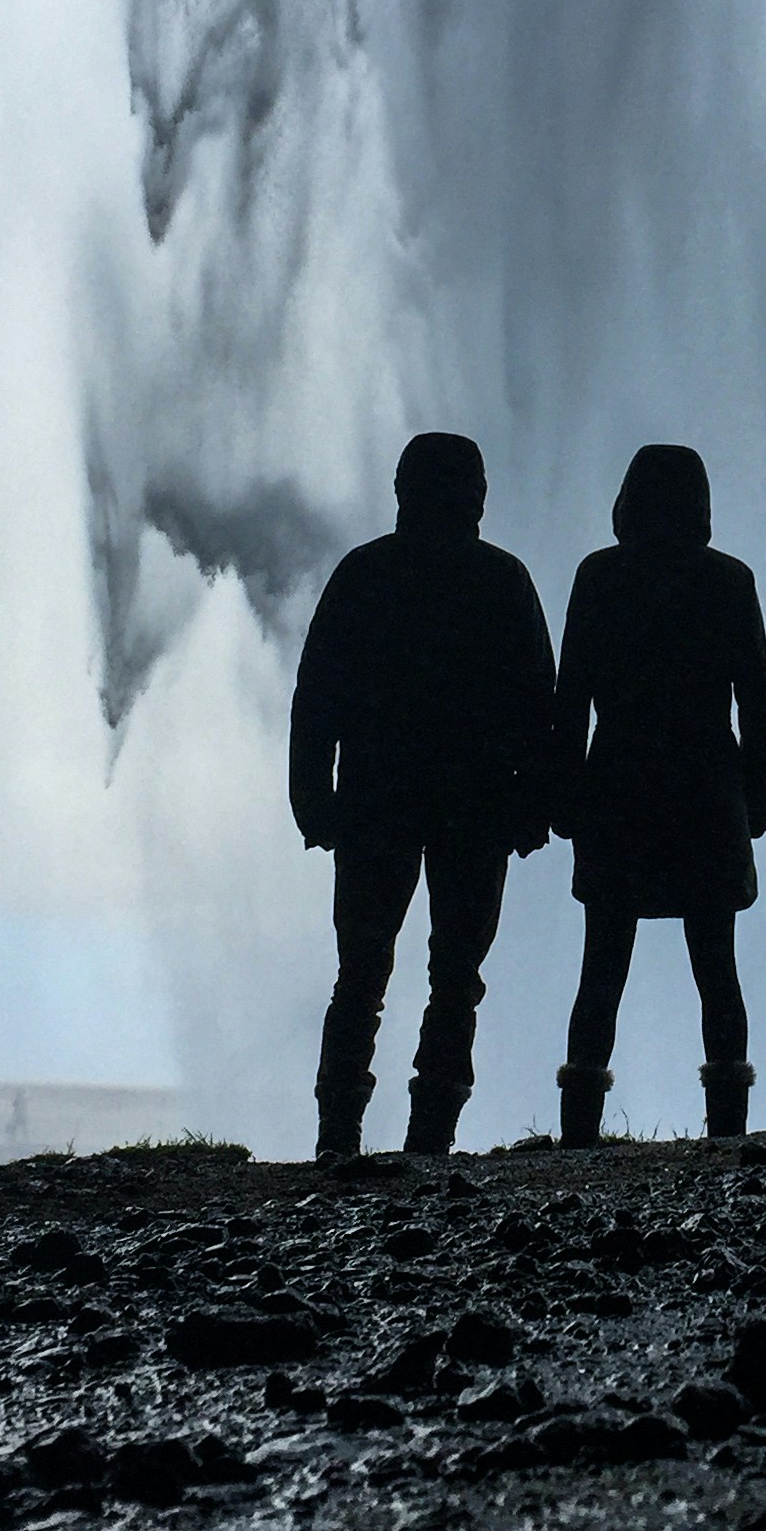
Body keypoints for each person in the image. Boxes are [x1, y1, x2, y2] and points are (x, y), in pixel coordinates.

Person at [289, 432, 556, 1158]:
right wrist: (534, 805)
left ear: (403, 489)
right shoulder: (504, 580)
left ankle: (338, 1136)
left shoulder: (364, 573)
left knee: (362, 974)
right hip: (475, 807)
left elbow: (316, 699)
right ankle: (429, 1138)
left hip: (377, 799)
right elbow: (539, 705)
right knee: (455, 977)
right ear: (475, 495)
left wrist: (313, 801)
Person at [549, 445, 766, 1144]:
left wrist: (564, 794)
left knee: (603, 963)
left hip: (618, 780)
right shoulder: (729, 580)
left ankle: (580, 1125)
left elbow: (572, 700)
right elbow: (757, 703)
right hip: (708, 784)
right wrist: (759, 795)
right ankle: (729, 1124)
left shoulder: (600, 577)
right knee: (717, 961)